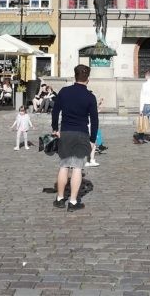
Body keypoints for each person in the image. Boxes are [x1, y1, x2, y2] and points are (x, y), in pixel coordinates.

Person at [51, 64, 99, 212]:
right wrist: (92, 139)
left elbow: (55, 111)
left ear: (75, 76)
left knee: (64, 165)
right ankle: (72, 201)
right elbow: (95, 120)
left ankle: (59, 199)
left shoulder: (64, 92)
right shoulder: (90, 96)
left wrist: (55, 129)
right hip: (81, 133)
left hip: (65, 132)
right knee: (77, 168)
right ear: (88, 79)